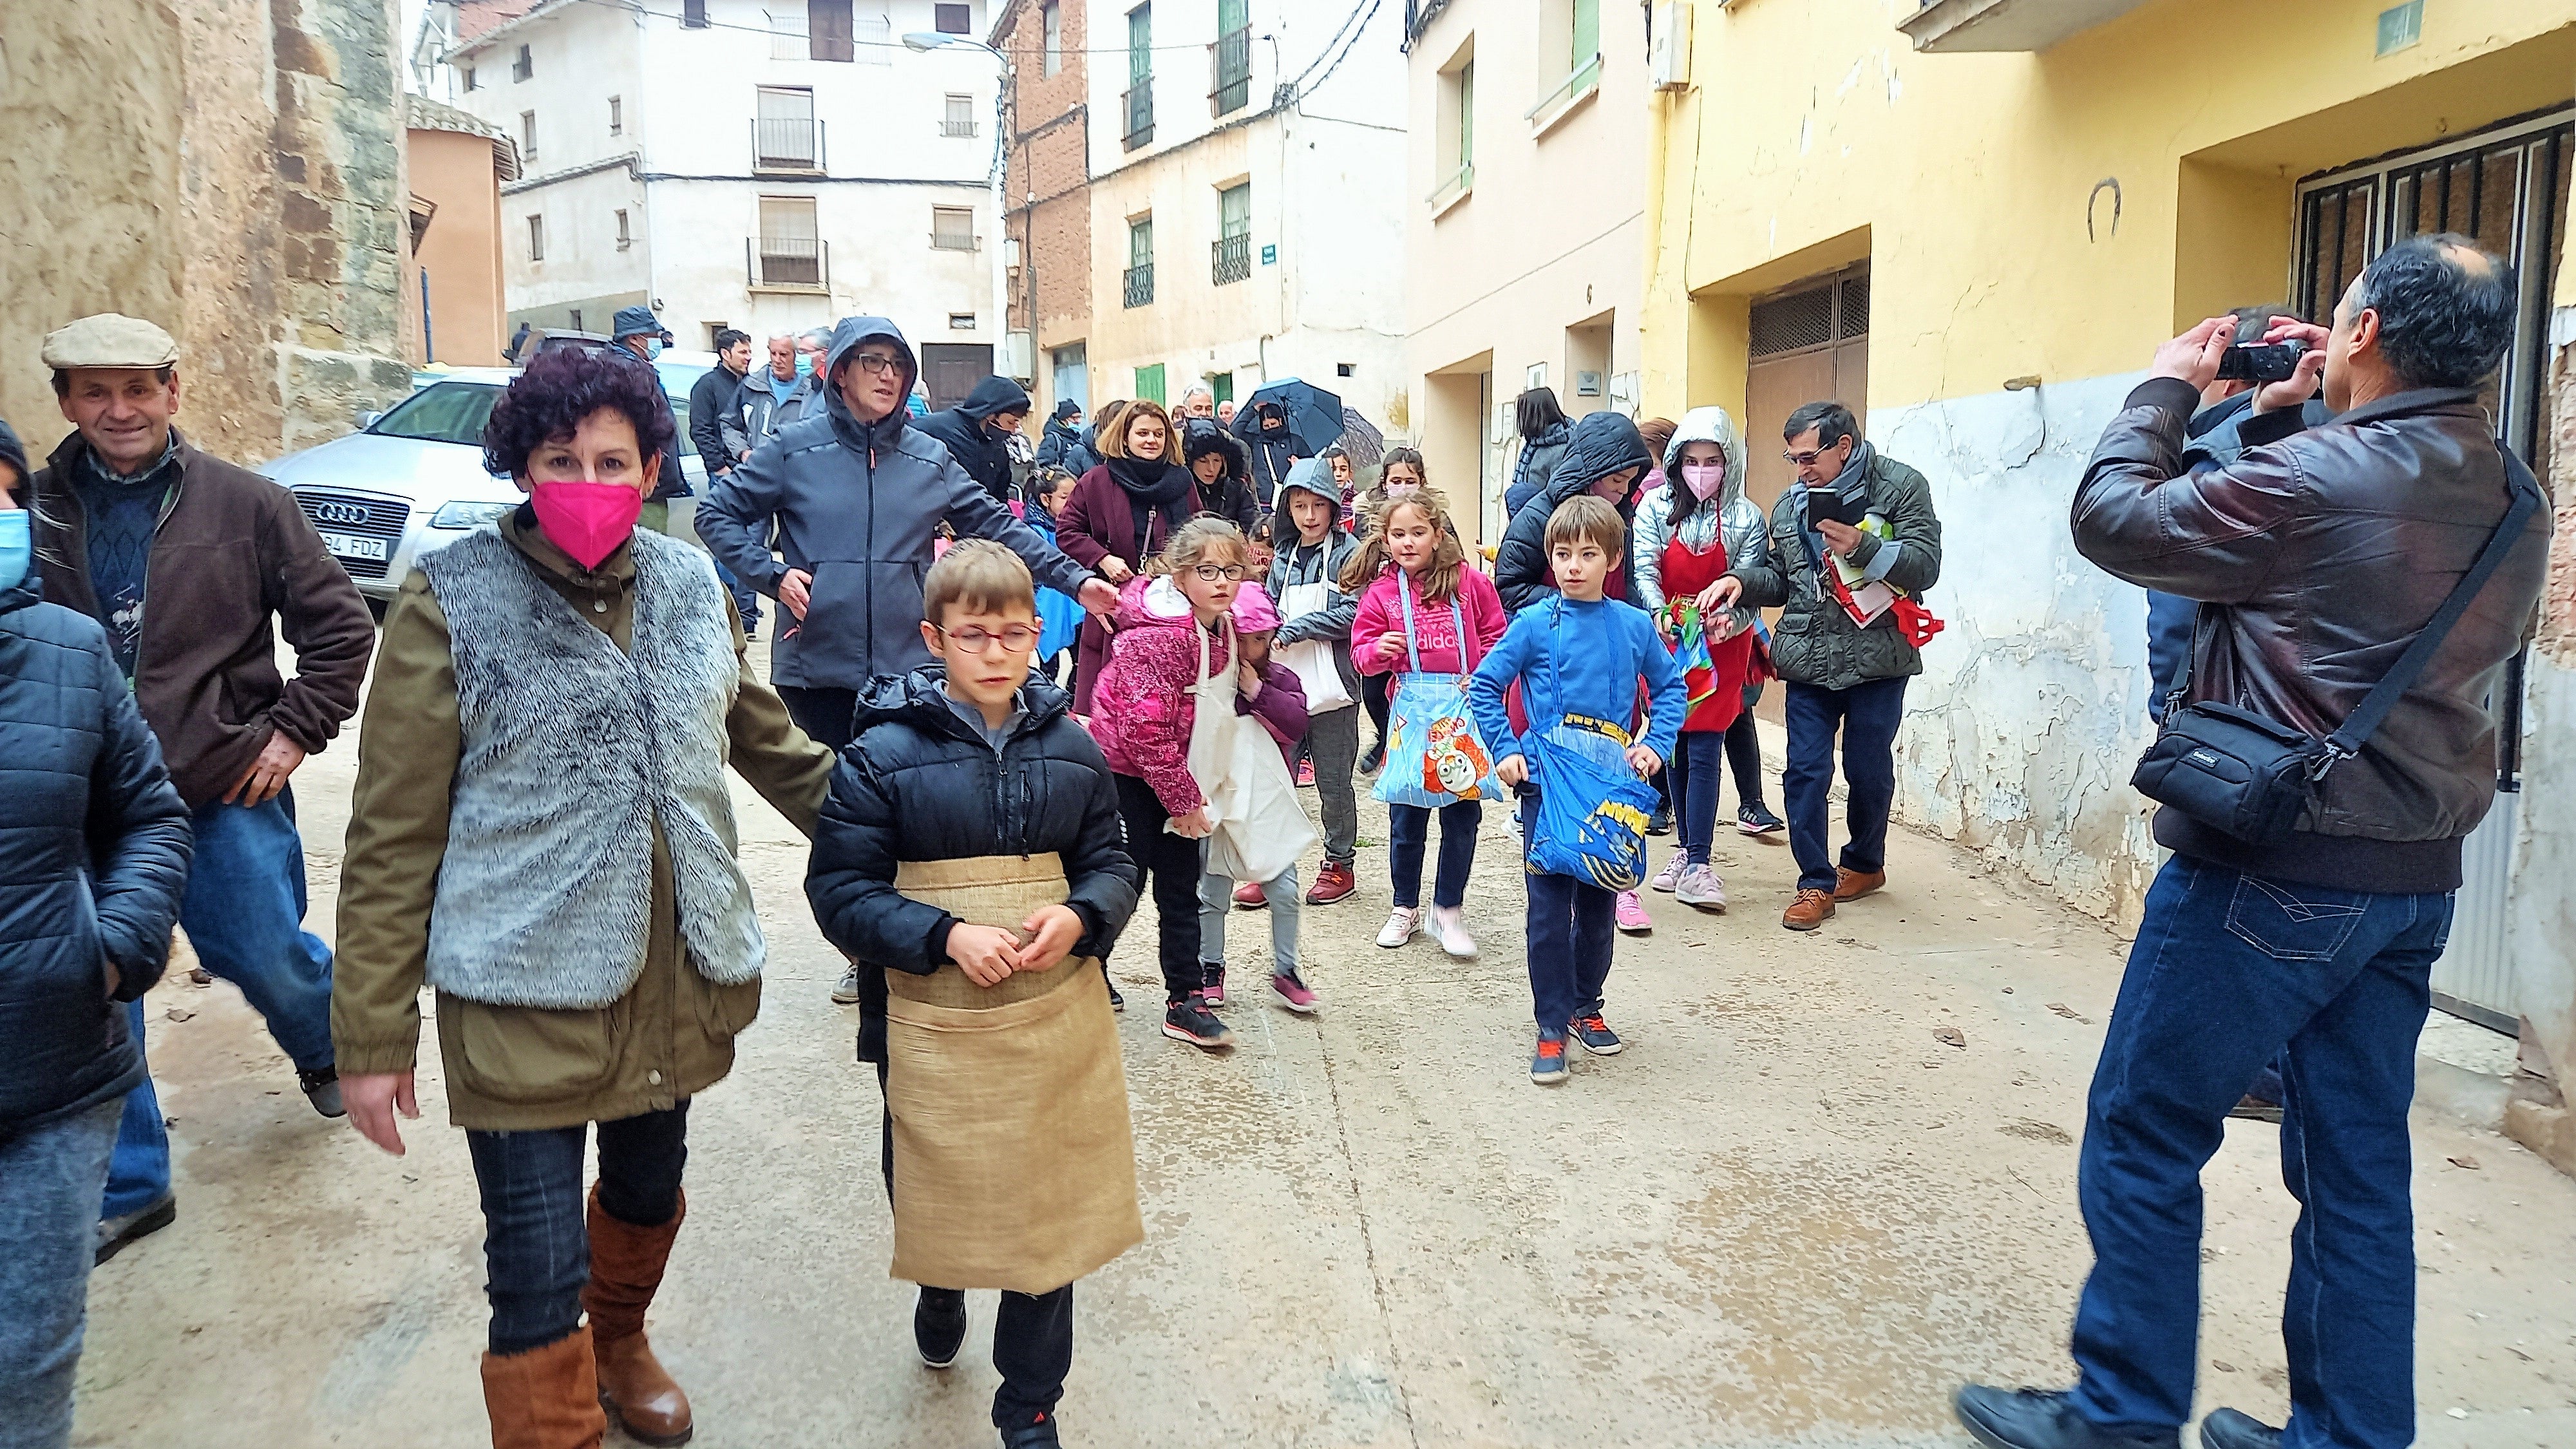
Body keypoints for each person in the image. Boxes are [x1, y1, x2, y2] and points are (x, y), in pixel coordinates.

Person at [1953, 234, 2550, 1449]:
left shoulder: (2325, 473)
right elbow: (2330, 565)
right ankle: (2347, 1436)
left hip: (2272, 869)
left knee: (2144, 1125)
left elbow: (2118, 520)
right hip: (2412, 873)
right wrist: (2281, 422)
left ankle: (2120, 1414)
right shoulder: (2516, 491)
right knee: (2355, 1171)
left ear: (2369, 330)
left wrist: (2169, 389)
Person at [331, 346, 838, 1449]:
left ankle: (621, 1341)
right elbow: (390, 832)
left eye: (615, 460)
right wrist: (368, 1032)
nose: (589, 481)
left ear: (654, 465)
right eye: (562, 458)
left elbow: (769, 742)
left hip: (673, 978)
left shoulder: (692, 583)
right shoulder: (450, 599)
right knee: (532, 1268)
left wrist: (915, 828)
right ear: (522, 465)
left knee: (648, 1196)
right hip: (517, 985)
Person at [28, 314, 373, 1261]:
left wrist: (294, 732)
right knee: (98, 986)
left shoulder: (248, 504)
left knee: (261, 950)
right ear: (66, 403)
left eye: (139, 387)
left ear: (173, 393)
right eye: (96, 391)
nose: (120, 408)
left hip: (220, 785)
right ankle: (134, 1181)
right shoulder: (37, 511)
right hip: (83, 795)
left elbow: (342, 629)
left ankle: (325, 1040)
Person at [804, 541, 1141, 1449]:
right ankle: (942, 1275)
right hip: (925, 1022)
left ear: (1040, 634)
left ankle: (1029, 1405)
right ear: (934, 637)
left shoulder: (1075, 749)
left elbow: (1113, 861)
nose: (994, 652)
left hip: (1051, 1017)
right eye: (972, 634)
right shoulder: (878, 758)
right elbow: (839, 892)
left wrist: (1082, 915)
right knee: (930, 1175)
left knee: (1050, 1211)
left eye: (1012, 634)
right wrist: (943, 934)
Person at [0, 426, 193, 1449]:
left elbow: (149, 816)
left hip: (54, 1066)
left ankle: (140, 1177)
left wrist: (113, 947)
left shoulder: (67, 655)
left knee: (28, 1350)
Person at [696, 316, 1112, 752]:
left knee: (905, 800)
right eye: (873, 361)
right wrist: (772, 575)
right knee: (831, 803)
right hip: (816, 667)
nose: (888, 374)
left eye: (898, 364)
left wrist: (1077, 581)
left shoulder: (930, 458)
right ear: (839, 371)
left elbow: (999, 526)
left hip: (911, 667)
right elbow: (715, 515)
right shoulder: (793, 448)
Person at [1469, 494, 1683, 1085]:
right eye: (1562, 554)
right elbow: (1485, 687)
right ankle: (1550, 1026)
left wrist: (1654, 746)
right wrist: (1508, 751)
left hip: (1612, 785)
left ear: (1613, 559)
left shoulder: (1635, 626)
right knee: (1545, 912)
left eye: (1588, 554)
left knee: (1599, 906)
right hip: (1548, 784)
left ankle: (1587, 1005)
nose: (1573, 566)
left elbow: (1671, 691)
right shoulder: (1534, 624)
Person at [1707, 400, 1941, 933]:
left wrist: (1865, 545)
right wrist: (1742, 581)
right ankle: (1815, 880)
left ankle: (1863, 863)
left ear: (1844, 446)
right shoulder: (1791, 508)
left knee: (1867, 768)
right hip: (1809, 658)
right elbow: (1781, 576)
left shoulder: (1901, 487)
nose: (1801, 470)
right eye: (1793, 460)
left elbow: (1926, 566)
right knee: (1805, 771)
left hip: (1879, 657)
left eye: (1809, 457)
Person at [1088, 517, 1251, 1051]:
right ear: (1181, 576)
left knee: (1182, 891)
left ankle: (1185, 999)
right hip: (1131, 776)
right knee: (1120, 886)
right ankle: (1081, 975)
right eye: (1208, 570)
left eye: (1232, 569)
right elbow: (1144, 729)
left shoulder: (1221, 628)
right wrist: (1181, 802)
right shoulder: (1159, 638)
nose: (1223, 581)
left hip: (1183, 775)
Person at [1347, 488, 1509, 960]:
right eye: (1399, 534)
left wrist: (1483, 676)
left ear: (1438, 535)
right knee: (1406, 816)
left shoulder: (1471, 583)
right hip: (1412, 714)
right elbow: (1361, 655)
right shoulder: (1381, 593)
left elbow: (1498, 636)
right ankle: (1405, 906)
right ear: (1386, 539)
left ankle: (1449, 909)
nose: (1409, 542)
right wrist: (1378, 653)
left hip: (1462, 711)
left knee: (1463, 813)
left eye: (1418, 532)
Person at [1631, 407, 1766, 911]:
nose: (1702, 471)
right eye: (1692, 460)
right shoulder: (1653, 510)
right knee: (1675, 746)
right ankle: (1686, 852)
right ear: (1675, 461)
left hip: (1722, 648)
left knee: (1706, 744)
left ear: (1730, 461)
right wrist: (1660, 613)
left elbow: (1753, 582)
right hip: (1667, 642)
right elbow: (1644, 571)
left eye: (1713, 460)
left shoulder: (1747, 518)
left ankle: (1701, 862)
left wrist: (1734, 618)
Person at [1192, 583, 1321, 1014]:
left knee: (1283, 890)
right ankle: (1210, 966)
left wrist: (1257, 693)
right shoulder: (1207, 677)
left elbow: (1295, 724)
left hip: (1266, 803)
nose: (1250, 648)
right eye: (1241, 639)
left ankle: (1286, 970)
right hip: (1219, 803)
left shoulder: (1281, 679)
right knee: (1212, 893)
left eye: (1260, 640)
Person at [1052, 399, 1206, 714]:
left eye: (1159, 434)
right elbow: (1068, 531)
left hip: (1172, 604)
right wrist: (1102, 558)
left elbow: (1200, 531)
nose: (1152, 440)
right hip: (1116, 601)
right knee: (1114, 702)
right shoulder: (1097, 481)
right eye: (1143, 433)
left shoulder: (1182, 481)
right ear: (1125, 437)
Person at [1267, 459, 1363, 905]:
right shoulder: (1282, 556)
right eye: (1299, 505)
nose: (1308, 515)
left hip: (1334, 686)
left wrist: (1299, 627)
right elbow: (1266, 607)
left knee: (1333, 782)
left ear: (1333, 506)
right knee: (1277, 777)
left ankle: (1339, 863)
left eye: (1317, 505)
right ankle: (1272, 866)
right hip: (1284, 684)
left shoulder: (1350, 552)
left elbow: (1357, 613)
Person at [1493, 410, 1653, 612]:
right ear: (1592, 474)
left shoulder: (1622, 518)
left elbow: (1627, 583)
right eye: (1617, 480)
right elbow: (1510, 589)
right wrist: (1578, 600)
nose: (1624, 490)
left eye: (1631, 482)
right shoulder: (1537, 518)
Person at [1350, 449, 1427, 773]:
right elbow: (1355, 567)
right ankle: (1385, 736)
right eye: (1397, 481)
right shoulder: (1370, 520)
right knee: (1375, 689)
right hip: (1382, 613)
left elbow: (1454, 560)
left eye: (1411, 481)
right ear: (1385, 482)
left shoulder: (1436, 518)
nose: (1404, 487)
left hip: (1423, 619)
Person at [690, 328, 765, 637]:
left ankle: (745, 611)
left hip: (751, 472)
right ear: (725, 354)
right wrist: (719, 467)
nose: (749, 357)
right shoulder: (707, 387)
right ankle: (726, 606)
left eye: (750, 352)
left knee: (752, 542)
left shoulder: (749, 386)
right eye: (743, 352)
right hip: (724, 473)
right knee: (727, 539)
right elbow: (701, 429)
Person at [609, 305, 691, 535]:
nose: (658, 343)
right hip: (643, 488)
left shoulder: (632, 370)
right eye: (654, 337)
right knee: (647, 555)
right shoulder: (630, 374)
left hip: (647, 483)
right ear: (635, 339)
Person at [915, 374, 1033, 508]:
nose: (1013, 430)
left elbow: (1000, 497)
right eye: (1010, 422)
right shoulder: (935, 430)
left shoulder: (998, 448)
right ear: (990, 414)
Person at [1019, 467, 1086, 686]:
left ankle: (1073, 696)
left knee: (1081, 655)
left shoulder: (1077, 528)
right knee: (1048, 662)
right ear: (1046, 499)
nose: (1073, 503)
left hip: (1075, 602)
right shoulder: (1032, 532)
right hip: (1047, 604)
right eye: (1065, 497)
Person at [1180, 415, 1262, 533]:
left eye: (1217, 461)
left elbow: (1252, 523)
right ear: (1190, 462)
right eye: (1203, 461)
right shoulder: (1181, 491)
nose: (1211, 468)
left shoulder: (1236, 488)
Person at [1501, 386, 1573, 517]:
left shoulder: (1560, 450)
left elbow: (1559, 498)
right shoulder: (1534, 445)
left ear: (1535, 414)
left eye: (1523, 414)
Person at [1233, 397, 1297, 508]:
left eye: (1273, 424)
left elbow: (1309, 466)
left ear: (1281, 421)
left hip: (1292, 498)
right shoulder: (1255, 442)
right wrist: (1252, 411)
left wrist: (1299, 465)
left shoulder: (1295, 441)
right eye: (1266, 426)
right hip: (1264, 501)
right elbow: (1234, 433)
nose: (1270, 428)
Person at [1036, 398, 1084, 470]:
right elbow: (1044, 465)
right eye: (1074, 418)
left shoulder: (1078, 437)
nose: (1078, 421)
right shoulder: (1052, 438)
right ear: (1064, 418)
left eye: (1079, 417)